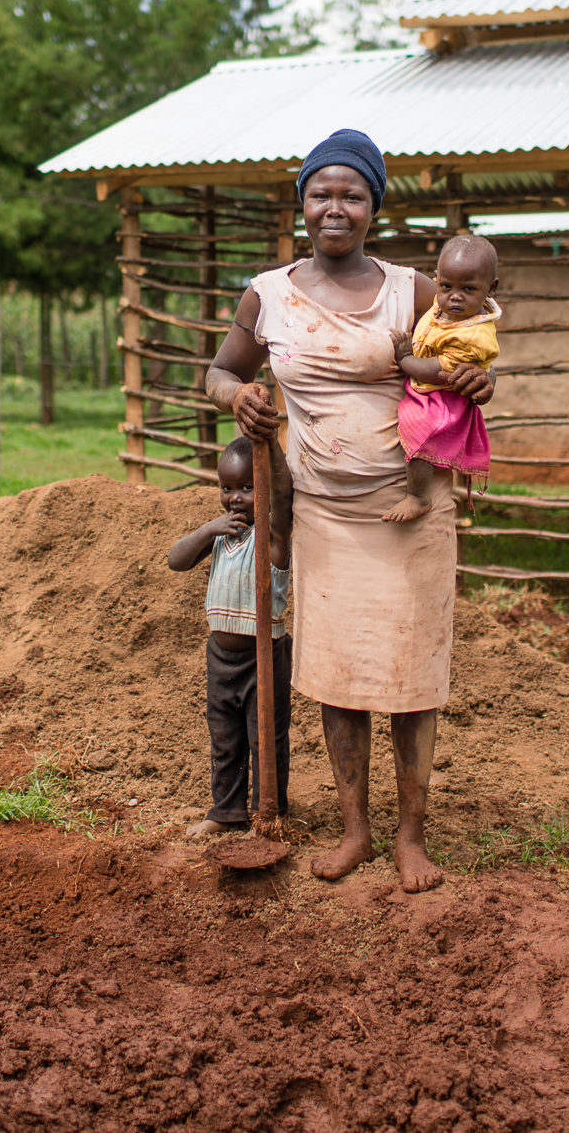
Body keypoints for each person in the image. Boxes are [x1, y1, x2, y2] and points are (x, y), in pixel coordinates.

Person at [204, 128, 495, 894]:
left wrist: (472, 383)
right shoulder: (267, 293)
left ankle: (411, 837)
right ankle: (356, 832)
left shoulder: (414, 291)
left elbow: (472, 357)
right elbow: (220, 371)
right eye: (322, 193)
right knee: (339, 676)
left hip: (411, 509)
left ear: (374, 207)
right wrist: (240, 395)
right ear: (303, 204)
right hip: (324, 516)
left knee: (410, 675)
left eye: (352, 194)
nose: (336, 207)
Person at [166, 437, 293, 838]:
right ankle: (226, 811)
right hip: (220, 657)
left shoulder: (272, 537)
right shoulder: (221, 535)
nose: (235, 498)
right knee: (225, 737)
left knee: (265, 739)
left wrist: (269, 448)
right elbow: (176, 560)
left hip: (264, 657)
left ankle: (267, 814)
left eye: (246, 487)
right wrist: (209, 528)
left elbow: (282, 493)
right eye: (226, 488)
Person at [383, 233, 501, 524]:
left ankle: (419, 496)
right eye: (446, 286)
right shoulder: (442, 306)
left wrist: (405, 359)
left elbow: (438, 370)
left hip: (441, 396)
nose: (455, 296)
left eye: (469, 289)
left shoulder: (472, 334)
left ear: (491, 289)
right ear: (437, 279)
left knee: (419, 430)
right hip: (427, 390)